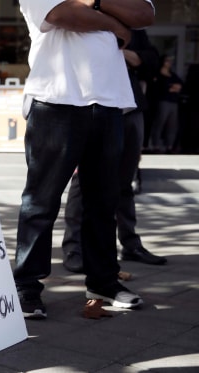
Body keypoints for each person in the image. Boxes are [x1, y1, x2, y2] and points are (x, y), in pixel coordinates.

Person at [14, 0, 155, 320]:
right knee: (41, 201)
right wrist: (114, 24)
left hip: (109, 102)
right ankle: (26, 284)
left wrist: (100, 5)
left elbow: (145, 14)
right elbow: (60, 14)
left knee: (104, 201)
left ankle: (103, 282)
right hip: (55, 100)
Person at [62, 29, 166, 274]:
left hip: (131, 109)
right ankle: (73, 248)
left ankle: (130, 244)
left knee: (125, 182)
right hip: (91, 106)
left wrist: (121, 51)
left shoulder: (130, 26)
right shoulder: (83, 20)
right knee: (81, 181)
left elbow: (150, 60)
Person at [148, 55, 184, 153]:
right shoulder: (158, 74)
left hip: (174, 102)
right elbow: (158, 87)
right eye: (167, 61)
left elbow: (180, 85)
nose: (169, 63)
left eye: (170, 61)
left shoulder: (172, 75)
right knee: (160, 123)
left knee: (172, 125)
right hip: (163, 101)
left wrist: (174, 87)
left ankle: (169, 145)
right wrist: (170, 88)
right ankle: (155, 145)